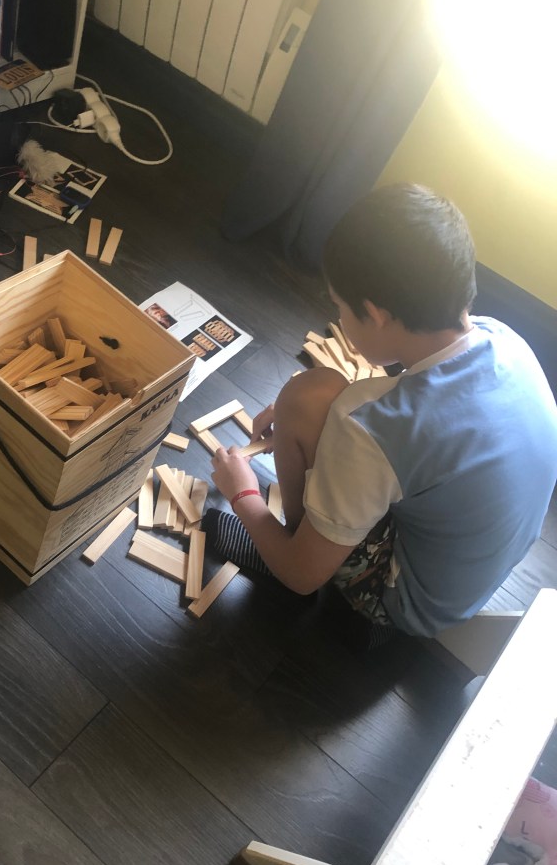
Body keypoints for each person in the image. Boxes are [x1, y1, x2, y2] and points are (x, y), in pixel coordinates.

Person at [205, 183, 557, 648]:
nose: (339, 317)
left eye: (340, 307)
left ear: (376, 314)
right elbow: (426, 412)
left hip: (404, 602)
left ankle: (296, 538)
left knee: (307, 395)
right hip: (475, 572)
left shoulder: (372, 430)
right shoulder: (505, 338)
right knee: (317, 400)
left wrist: (243, 492)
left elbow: (301, 578)